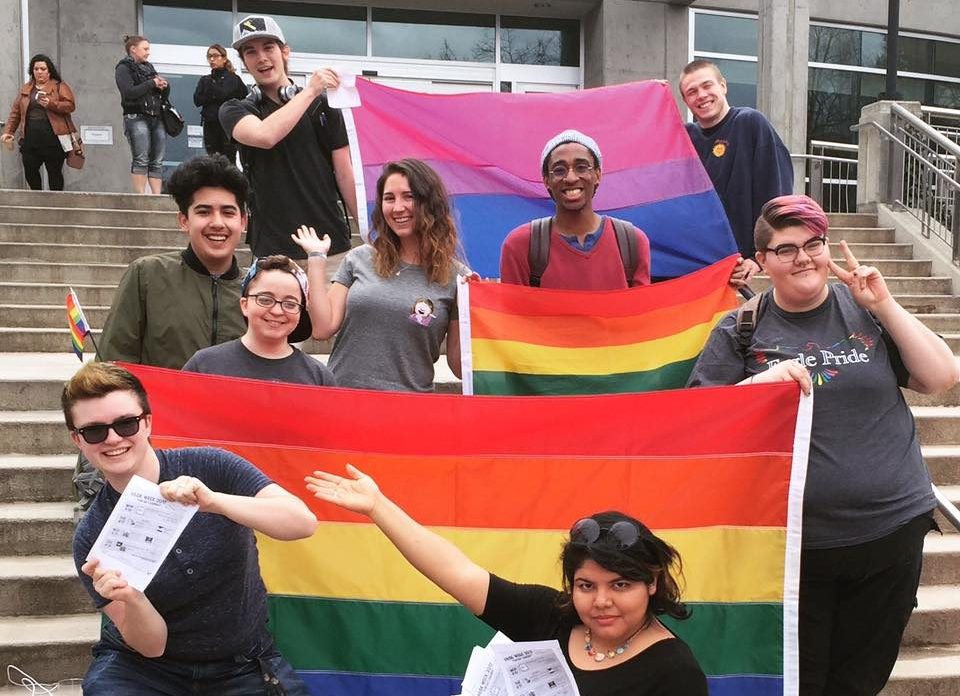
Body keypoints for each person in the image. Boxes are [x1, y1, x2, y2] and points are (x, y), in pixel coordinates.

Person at [687, 195, 959, 695]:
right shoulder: (741, 329)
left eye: (814, 244)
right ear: (762, 260)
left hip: (891, 532)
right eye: (786, 249)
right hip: (794, 548)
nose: (804, 258)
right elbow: (698, 427)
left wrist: (885, 304)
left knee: (861, 681)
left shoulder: (864, 308)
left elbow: (941, 377)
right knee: (802, 682)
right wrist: (760, 386)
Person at [306, 465, 708, 695]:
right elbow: (458, 573)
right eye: (587, 585)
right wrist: (378, 507)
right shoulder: (552, 616)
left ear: (652, 583)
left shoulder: (675, 670)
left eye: (620, 585)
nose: (601, 601)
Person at [65, 362, 316, 695]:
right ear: (78, 440)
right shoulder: (93, 536)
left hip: (242, 662)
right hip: (144, 670)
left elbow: (302, 522)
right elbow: (152, 646)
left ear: (147, 422)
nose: (113, 439)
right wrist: (133, 599)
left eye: (126, 424)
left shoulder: (211, 465)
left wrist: (214, 502)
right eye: (94, 431)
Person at [292, 158, 465, 392]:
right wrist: (316, 258)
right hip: (344, 400)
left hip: (408, 412)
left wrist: (476, 307)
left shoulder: (456, 278)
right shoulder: (360, 258)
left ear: (429, 202)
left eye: (409, 196)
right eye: (389, 198)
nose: (397, 207)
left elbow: (459, 366)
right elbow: (322, 328)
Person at [219, 14, 357, 264]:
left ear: (285, 52)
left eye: (268, 47)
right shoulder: (234, 109)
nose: (261, 58)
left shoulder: (324, 107)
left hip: (330, 247)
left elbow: (345, 172)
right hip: (273, 251)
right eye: (250, 52)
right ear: (243, 62)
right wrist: (311, 90)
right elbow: (265, 135)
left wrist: (372, 232)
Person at [99, 154, 247, 370]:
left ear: (243, 222)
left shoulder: (257, 291)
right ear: (184, 221)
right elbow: (114, 364)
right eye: (204, 212)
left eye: (228, 212)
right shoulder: (147, 275)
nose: (217, 223)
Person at [680, 59, 794, 287]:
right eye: (691, 91)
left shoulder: (750, 123)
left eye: (707, 85)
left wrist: (758, 255)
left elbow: (776, 195)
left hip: (743, 267)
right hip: (700, 267)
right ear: (685, 100)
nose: (701, 95)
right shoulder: (685, 137)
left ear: (723, 86)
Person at [499, 129, 651, 290]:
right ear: (546, 180)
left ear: (598, 175)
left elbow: (643, 313)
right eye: (559, 170)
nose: (571, 178)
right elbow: (510, 314)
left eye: (581, 167)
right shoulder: (521, 246)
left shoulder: (632, 242)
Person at [183, 254, 336, 386]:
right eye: (265, 300)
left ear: (300, 312)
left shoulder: (318, 377)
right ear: (244, 305)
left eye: (290, 304)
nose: (277, 311)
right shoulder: (204, 365)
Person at [1, 54, 76, 191]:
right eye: (36, 69)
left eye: (42, 69)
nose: (39, 72)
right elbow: (15, 113)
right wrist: (8, 132)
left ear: (49, 71)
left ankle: (55, 205)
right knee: (30, 171)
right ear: (32, 71)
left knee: (54, 174)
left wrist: (51, 104)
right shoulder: (26, 89)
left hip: (53, 139)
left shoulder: (59, 86)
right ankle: (37, 199)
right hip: (30, 139)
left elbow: (70, 105)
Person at [115, 35, 169, 194]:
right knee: (141, 158)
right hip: (136, 116)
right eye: (145, 49)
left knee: (157, 160)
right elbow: (129, 93)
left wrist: (164, 87)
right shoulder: (123, 68)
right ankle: (141, 196)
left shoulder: (149, 68)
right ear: (133, 49)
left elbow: (161, 96)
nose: (148, 52)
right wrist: (151, 83)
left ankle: (156, 196)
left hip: (156, 116)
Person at [193, 44, 248, 164]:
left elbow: (225, 94)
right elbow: (197, 100)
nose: (212, 59)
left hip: (227, 124)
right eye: (209, 56)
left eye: (215, 56)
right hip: (210, 123)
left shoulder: (233, 78)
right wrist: (213, 94)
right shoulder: (205, 79)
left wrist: (210, 94)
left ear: (224, 58)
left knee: (228, 158)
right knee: (212, 158)